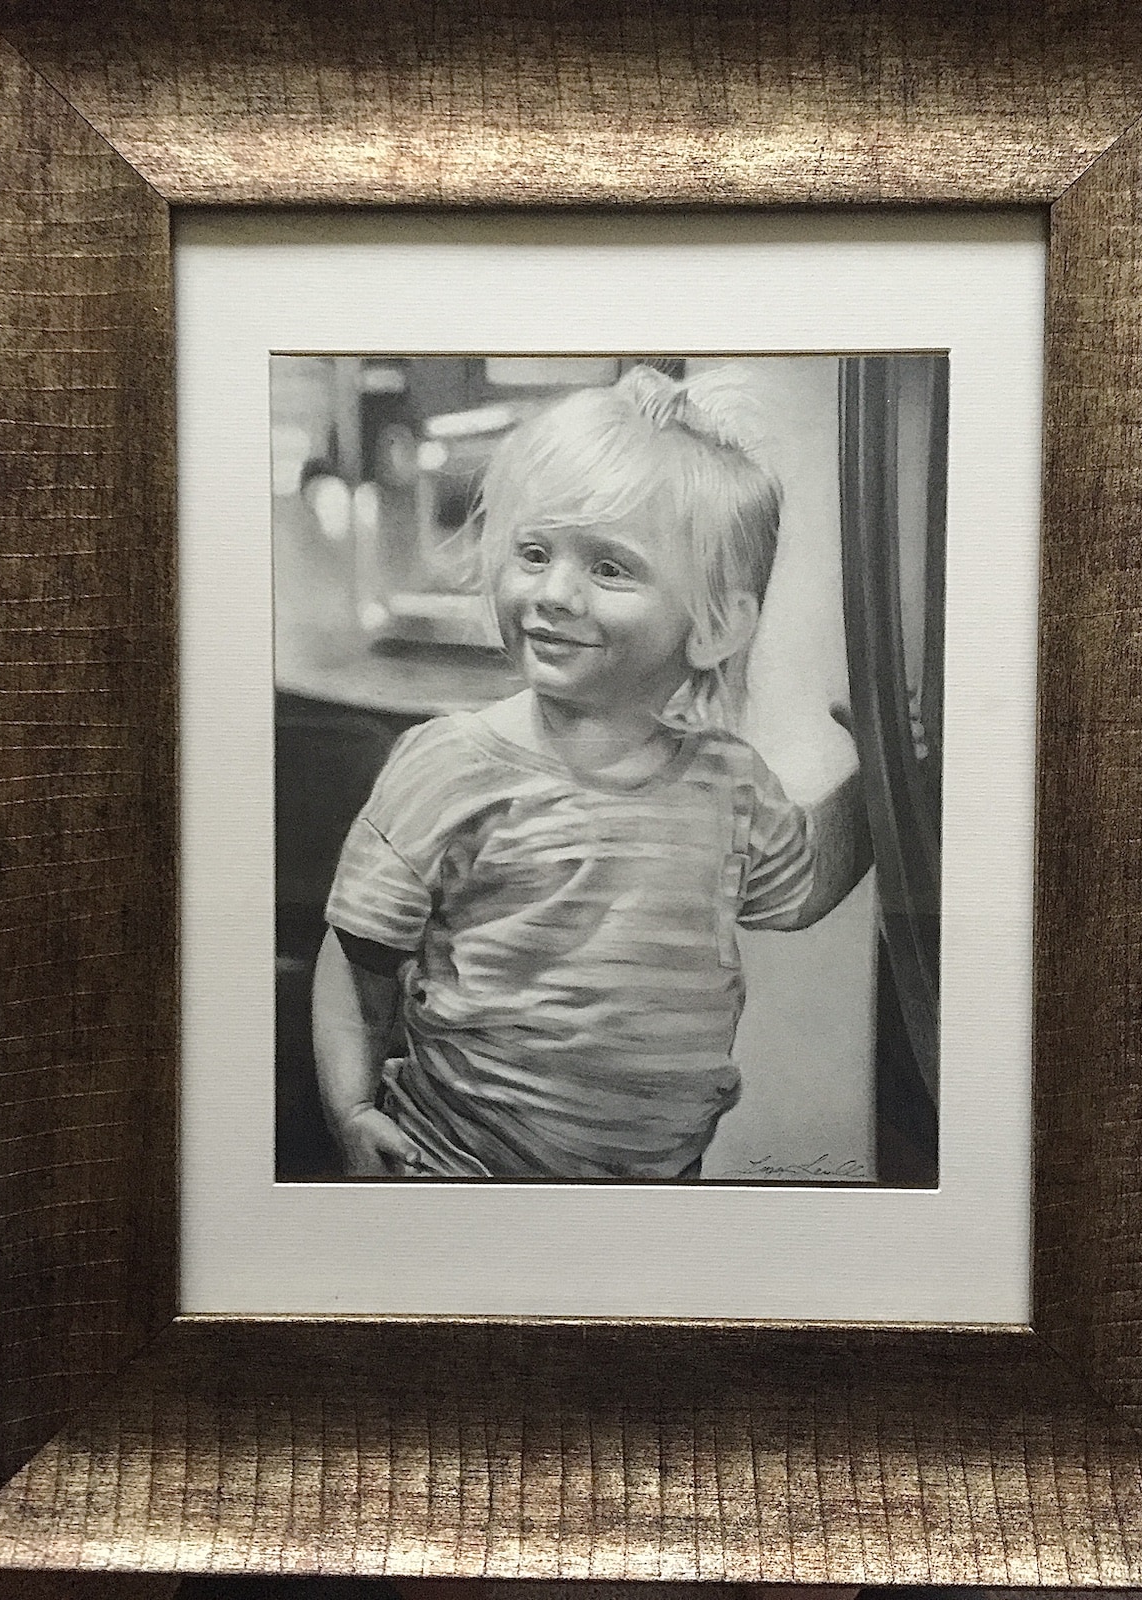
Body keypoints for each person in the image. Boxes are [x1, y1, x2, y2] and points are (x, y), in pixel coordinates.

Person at [312, 364, 871, 1180]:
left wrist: (888, 775)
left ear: (717, 626)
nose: (555, 593)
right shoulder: (448, 767)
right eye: (533, 552)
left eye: (610, 567)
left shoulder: (731, 786)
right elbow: (358, 958)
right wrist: (350, 1108)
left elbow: (805, 887)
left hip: (655, 1189)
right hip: (453, 1172)